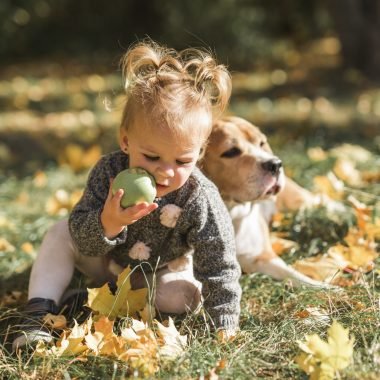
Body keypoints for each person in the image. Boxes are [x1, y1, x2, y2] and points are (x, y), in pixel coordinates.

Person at [12, 40, 241, 350]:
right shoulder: (109, 172)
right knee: (59, 233)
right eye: (151, 156)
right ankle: (39, 313)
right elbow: (82, 238)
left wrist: (224, 323)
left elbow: (219, 262)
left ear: (200, 153)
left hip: (159, 273)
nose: (165, 171)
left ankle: (93, 299)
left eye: (183, 161)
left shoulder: (198, 196)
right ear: (125, 141)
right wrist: (109, 222)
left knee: (183, 297)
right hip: (106, 260)